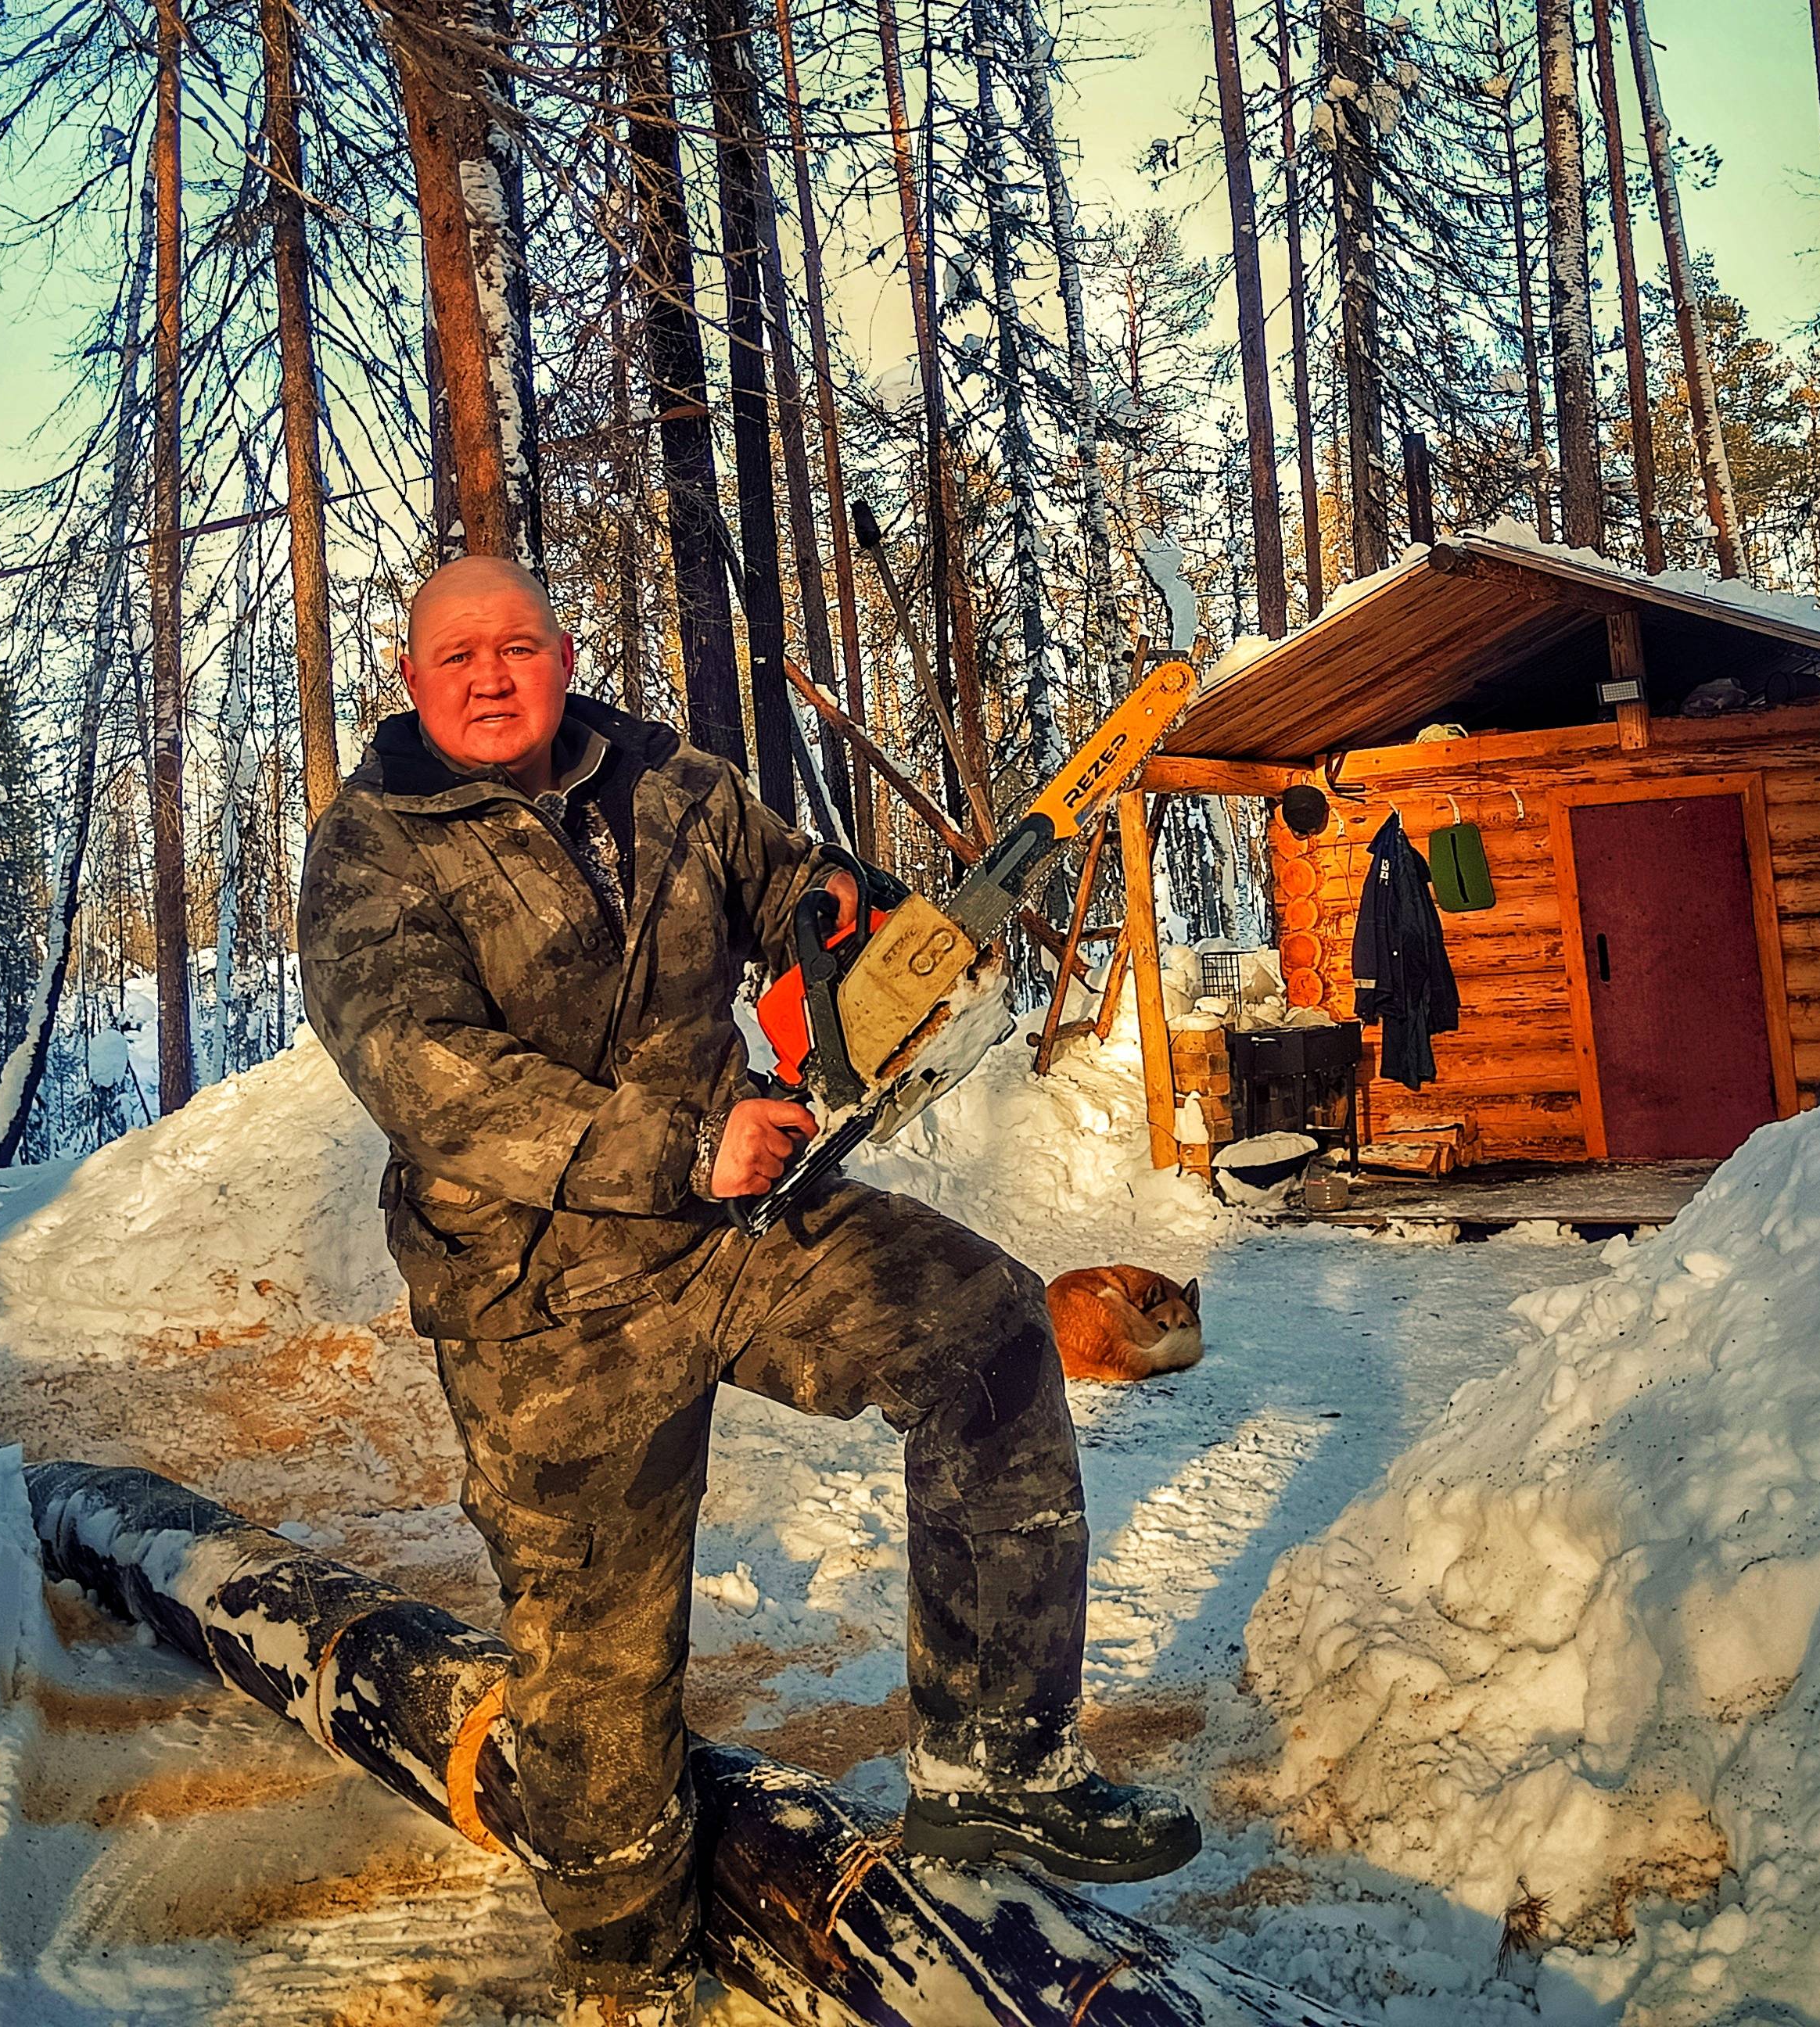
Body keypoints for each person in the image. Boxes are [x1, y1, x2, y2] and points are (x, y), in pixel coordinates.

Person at [296, 558, 1198, 2025]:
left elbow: (778, 868)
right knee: (595, 1668)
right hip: (549, 1301)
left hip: (741, 1226)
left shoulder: (663, 772)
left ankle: (996, 1766)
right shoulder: (372, 850)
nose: (490, 674)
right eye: (457, 653)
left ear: (563, 652)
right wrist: (679, 1143)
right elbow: (432, 1082)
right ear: (410, 677)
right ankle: (624, 1964)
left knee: (982, 1330)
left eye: (518, 645)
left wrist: (832, 912)